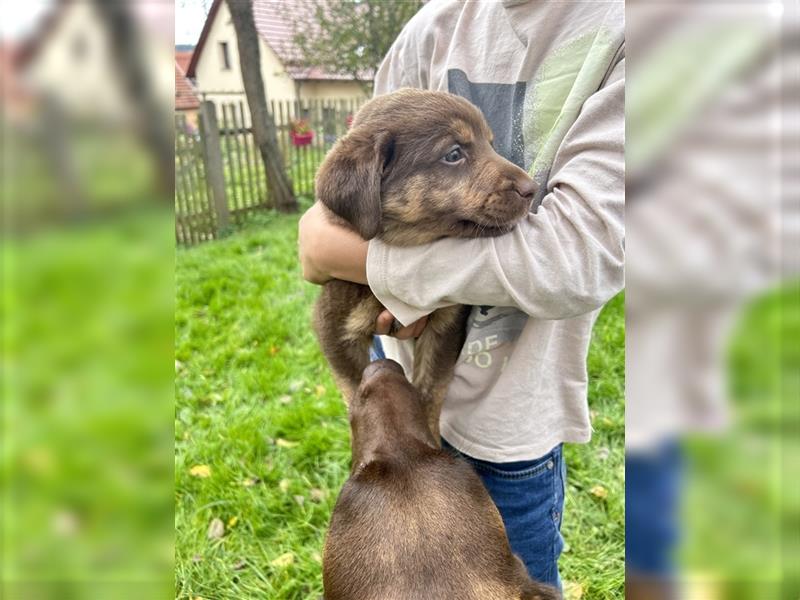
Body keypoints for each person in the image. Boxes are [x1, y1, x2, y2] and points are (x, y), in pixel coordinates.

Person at [299, 0, 624, 589]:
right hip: (393, 410)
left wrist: (355, 258)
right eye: (457, 155)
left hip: (512, 428)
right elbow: (356, 181)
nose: (518, 181)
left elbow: (579, 254)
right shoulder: (431, 28)